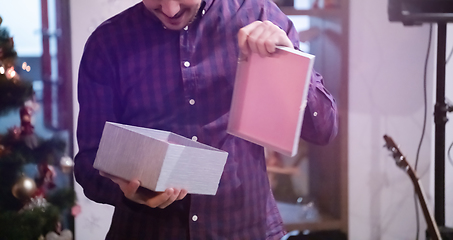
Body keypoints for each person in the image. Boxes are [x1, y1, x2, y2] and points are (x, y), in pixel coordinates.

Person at [74, 0, 338, 239]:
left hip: (244, 230)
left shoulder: (259, 15)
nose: (170, 9)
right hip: (145, 231)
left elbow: (324, 129)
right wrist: (127, 193)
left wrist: (287, 64)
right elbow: (89, 163)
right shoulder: (108, 43)